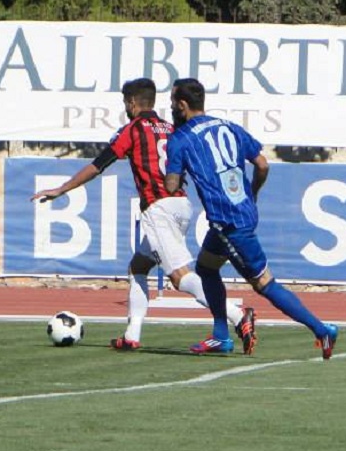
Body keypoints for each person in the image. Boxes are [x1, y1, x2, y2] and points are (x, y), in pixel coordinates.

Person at [31, 78, 257, 354]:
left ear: (131, 103)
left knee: (181, 277)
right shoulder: (172, 128)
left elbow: (98, 165)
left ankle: (238, 316)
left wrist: (62, 189)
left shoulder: (133, 130)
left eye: (125, 103)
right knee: (138, 266)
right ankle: (132, 334)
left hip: (159, 209)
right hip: (181, 204)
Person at [164, 78, 339, 359]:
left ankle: (321, 330)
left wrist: (173, 173)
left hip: (228, 221)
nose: (172, 107)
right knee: (206, 268)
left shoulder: (180, 138)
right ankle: (221, 336)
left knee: (264, 283)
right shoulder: (229, 127)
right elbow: (262, 164)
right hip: (240, 212)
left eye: (173, 102)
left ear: (182, 105)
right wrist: (252, 193)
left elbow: (172, 185)